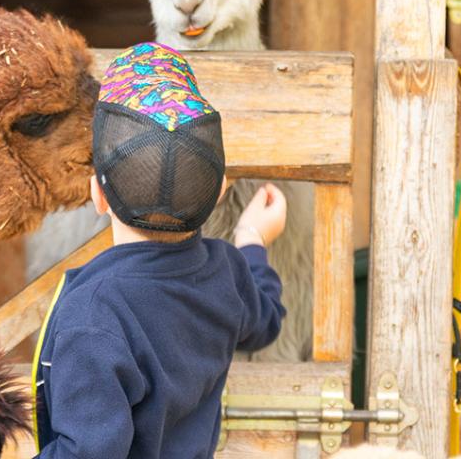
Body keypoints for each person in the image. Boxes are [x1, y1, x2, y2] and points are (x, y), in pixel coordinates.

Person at [32, 42, 287, 459]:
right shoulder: (227, 273)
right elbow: (266, 322)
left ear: (97, 194)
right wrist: (253, 241)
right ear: (218, 191)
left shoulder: (94, 315)